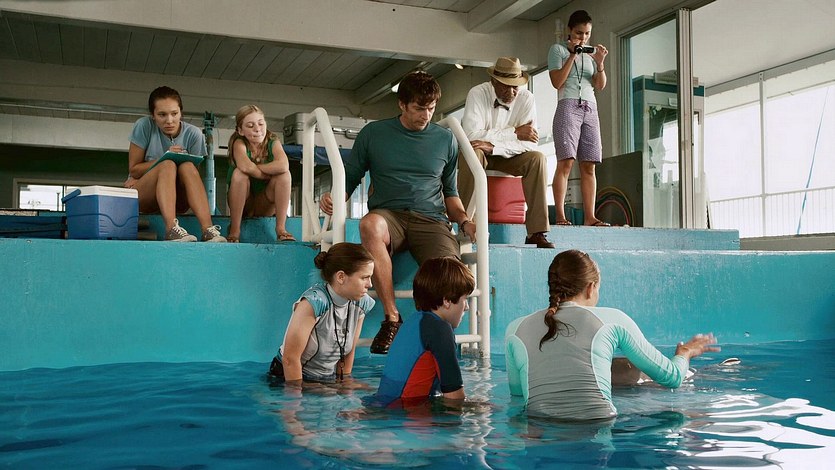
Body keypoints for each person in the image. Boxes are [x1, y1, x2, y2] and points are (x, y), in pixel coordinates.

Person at [319, 71, 476, 354]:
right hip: (389, 216)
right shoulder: (374, 134)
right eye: (419, 108)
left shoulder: (446, 139)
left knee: (450, 275)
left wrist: (465, 221)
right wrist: (334, 199)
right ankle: (392, 318)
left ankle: (432, 333)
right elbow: (350, 178)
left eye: (431, 108)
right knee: (369, 225)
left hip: (431, 219)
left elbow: (450, 192)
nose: (426, 115)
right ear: (402, 104)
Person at [505, 249, 719, 420]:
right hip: (598, 428)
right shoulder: (613, 319)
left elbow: (518, 396)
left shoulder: (515, 329)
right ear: (591, 288)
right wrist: (685, 352)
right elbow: (672, 378)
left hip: (541, 429)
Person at [459, 57, 554, 249]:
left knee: (537, 159)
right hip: (479, 154)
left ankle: (536, 232)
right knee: (475, 152)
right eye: (506, 86)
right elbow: (471, 136)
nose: (511, 92)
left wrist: (494, 146)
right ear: (493, 81)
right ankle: (464, 223)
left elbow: (529, 144)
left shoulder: (527, 98)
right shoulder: (477, 93)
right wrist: (514, 132)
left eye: (515, 87)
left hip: (508, 156)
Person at [126, 86, 226, 242]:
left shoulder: (194, 134)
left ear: (181, 112)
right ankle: (172, 230)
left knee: (187, 166)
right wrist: (164, 158)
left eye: (174, 113)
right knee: (167, 164)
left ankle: (208, 230)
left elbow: (192, 177)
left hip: (177, 199)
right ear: (153, 115)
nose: (169, 120)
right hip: (145, 197)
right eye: (162, 115)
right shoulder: (144, 125)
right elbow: (134, 170)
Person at [371, 257, 475, 406]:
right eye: (465, 299)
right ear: (447, 301)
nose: (467, 307)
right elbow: (454, 397)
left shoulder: (413, 322)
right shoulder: (440, 329)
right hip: (405, 412)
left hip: (382, 406)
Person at [268, 242, 375, 385]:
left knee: (373, 394)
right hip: (289, 375)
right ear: (341, 277)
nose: (370, 284)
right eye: (364, 277)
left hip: (324, 378)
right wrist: (295, 395)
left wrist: (346, 388)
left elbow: (349, 352)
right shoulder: (314, 302)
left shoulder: (361, 303)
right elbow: (290, 359)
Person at [548, 10, 611, 227]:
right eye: (579, 33)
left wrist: (600, 63)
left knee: (590, 164)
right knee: (566, 161)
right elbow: (557, 82)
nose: (583, 38)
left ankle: (590, 217)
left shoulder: (590, 55)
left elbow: (600, 85)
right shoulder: (557, 50)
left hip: (590, 107)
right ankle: (560, 216)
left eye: (587, 34)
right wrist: (573, 54)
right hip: (568, 104)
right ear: (570, 31)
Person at [226, 105, 294, 243]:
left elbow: (283, 165)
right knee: (239, 174)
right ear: (240, 130)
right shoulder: (239, 143)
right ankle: (234, 230)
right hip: (244, 204)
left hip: (264, 204)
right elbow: (245, 166)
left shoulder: (273, 141)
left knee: (284, 175)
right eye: (250, 126)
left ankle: (281, 229)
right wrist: (267, 174)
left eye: (261, 123)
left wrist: (256, 168)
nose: (257, 129)